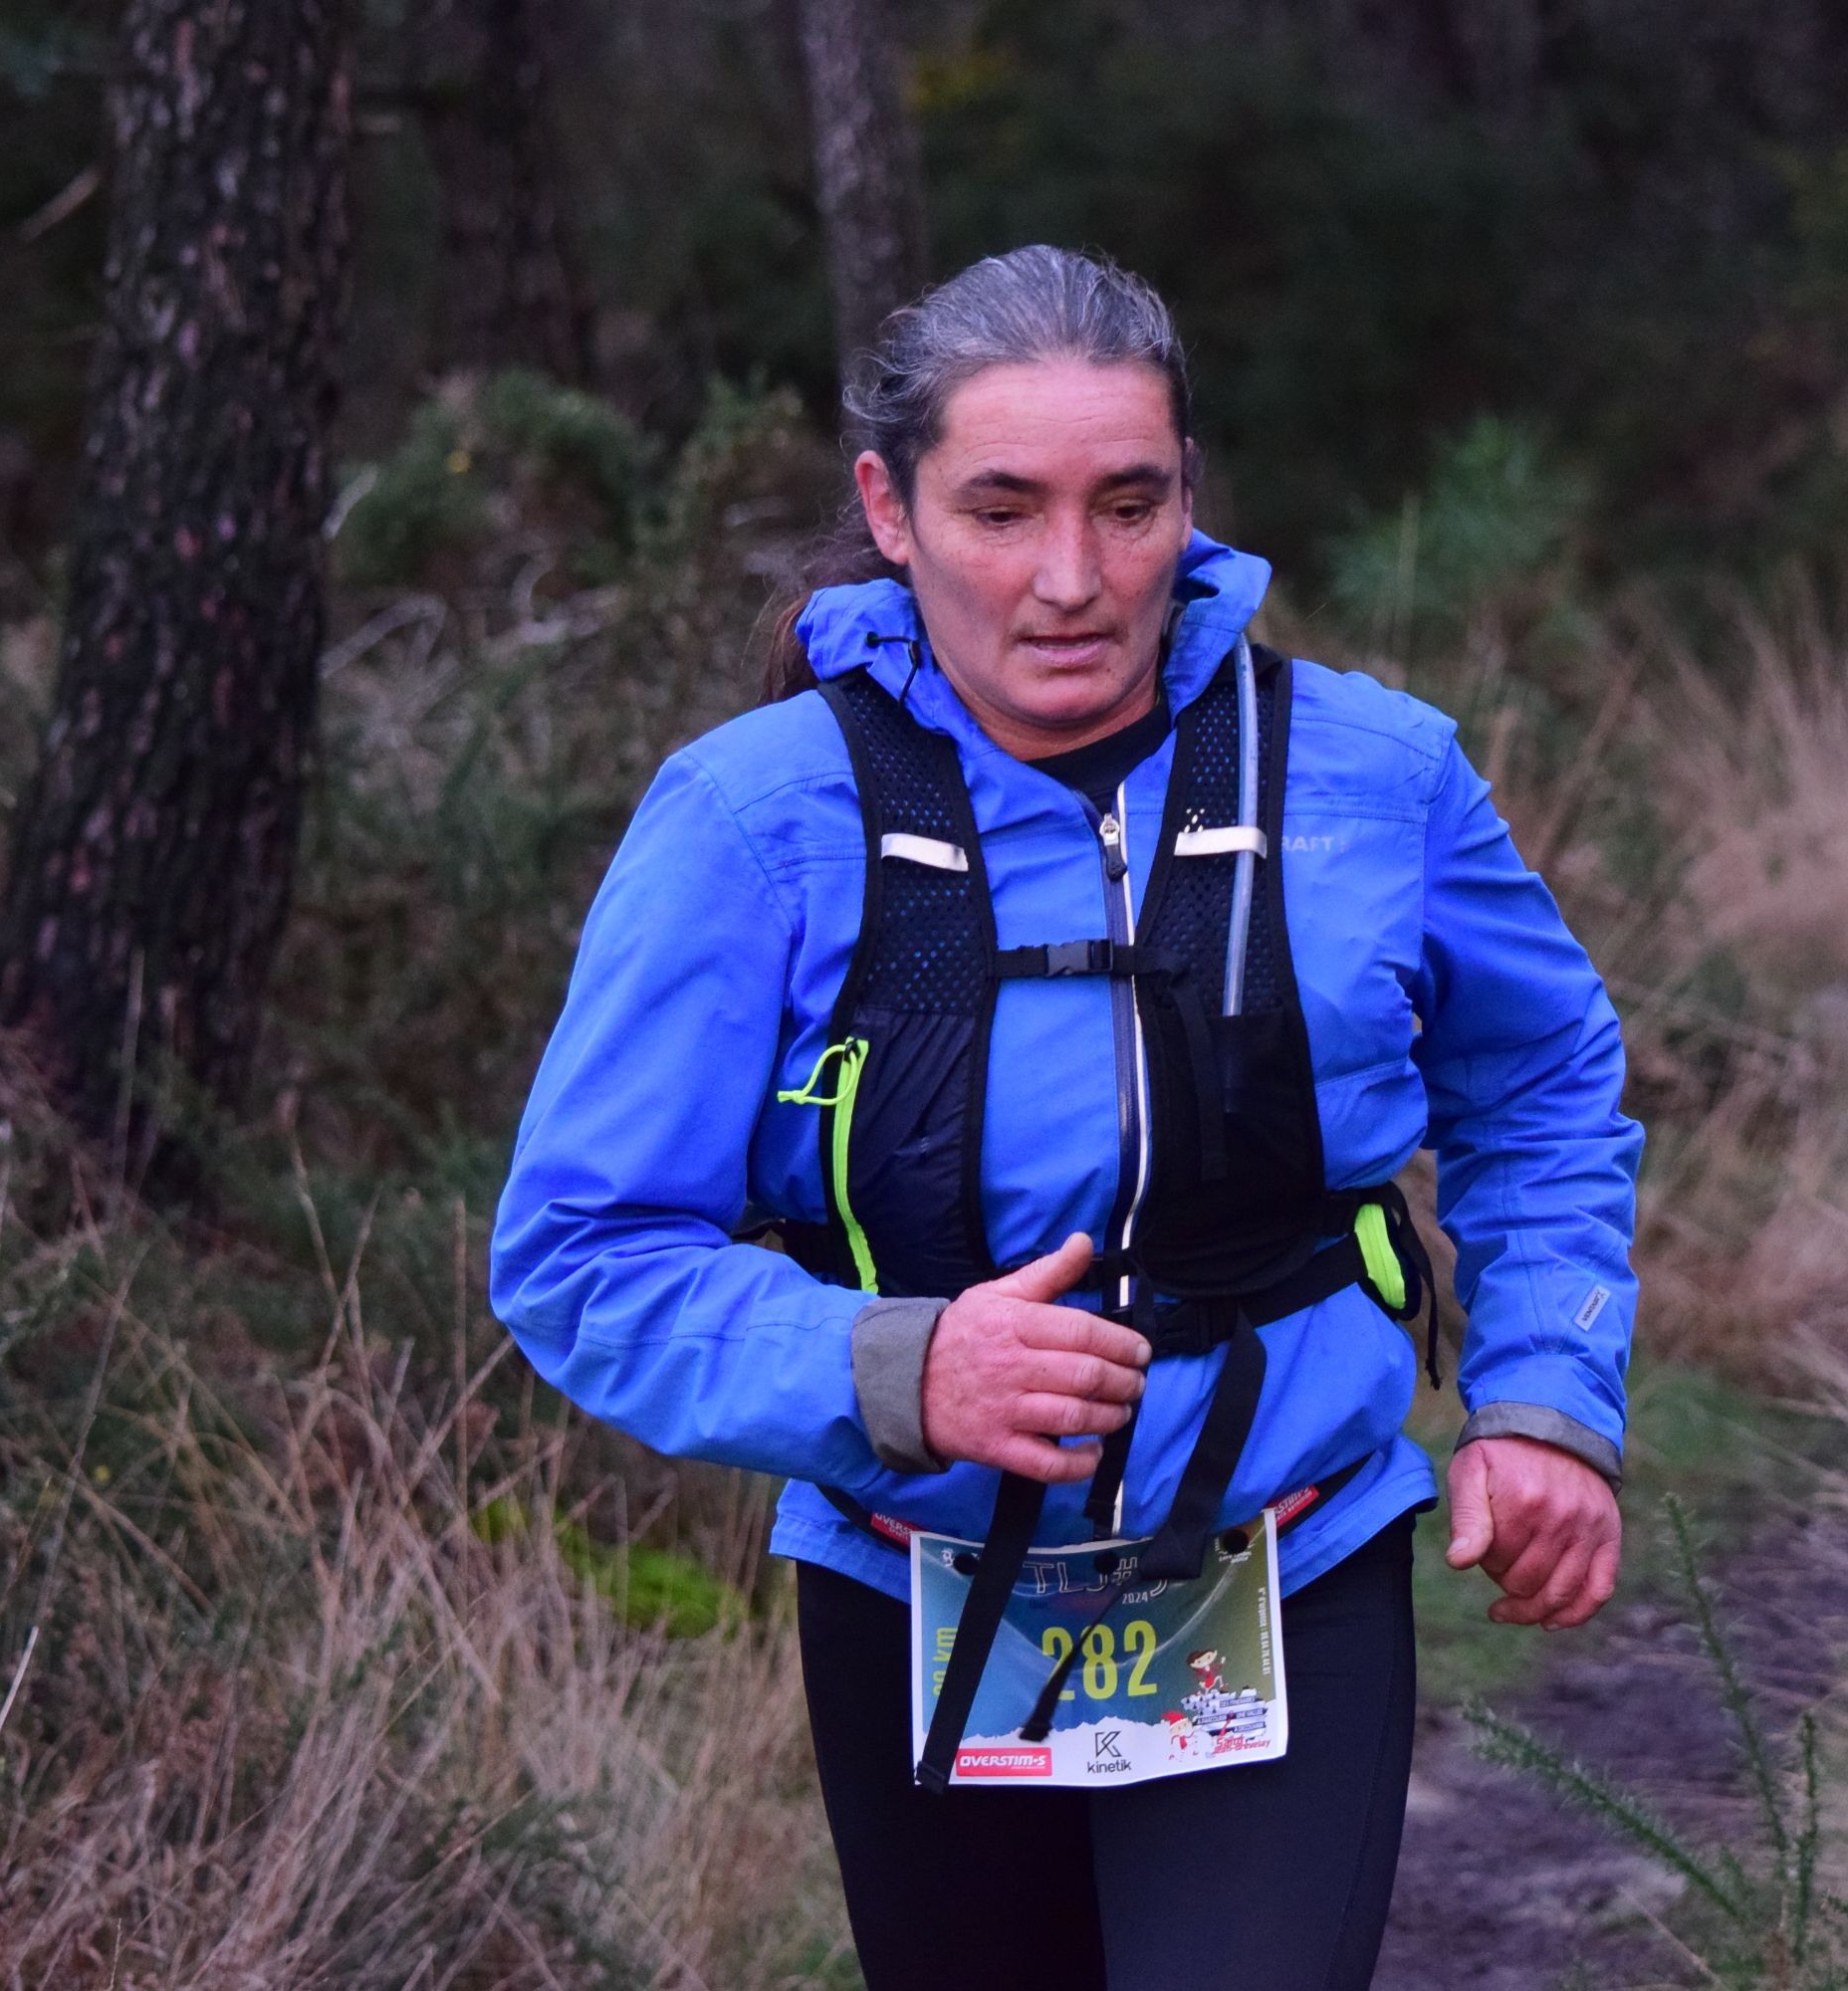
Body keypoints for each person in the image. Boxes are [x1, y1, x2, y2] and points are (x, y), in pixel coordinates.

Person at [489, 244, 1642, 1991]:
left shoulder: (1375, 775)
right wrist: (897, 1367)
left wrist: (1548, 1396)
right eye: (1001, 509)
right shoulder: (752, 819)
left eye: (1129, 504)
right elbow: (578, 1252)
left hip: (1290, 1551)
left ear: (1190, 500)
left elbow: (1542, 1084)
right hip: (911, 1577)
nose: (1072, 580)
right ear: (890, 510)